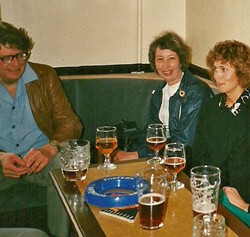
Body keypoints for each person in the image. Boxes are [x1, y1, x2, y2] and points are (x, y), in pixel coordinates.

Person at [0, 22, 83, 237]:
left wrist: (50, 148)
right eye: (6, 57)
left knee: (64, 164)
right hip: (3, 164)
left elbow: (71, 122)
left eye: (21, 55)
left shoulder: (44, 75)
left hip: (42, 160)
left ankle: (58, 235)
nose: (16, 63)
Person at [114, 31, 214, 162]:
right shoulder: (159, 92)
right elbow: (151, 132)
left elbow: (185, 142)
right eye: (160, 59)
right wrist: (132, 152)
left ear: (181, 60)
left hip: (191, 162)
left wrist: (138, 155)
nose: (165, 65)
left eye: (171, 58)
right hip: (164, 157)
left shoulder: (196, 91)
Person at [191, 40, 250, 226]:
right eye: (215, 68)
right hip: (211, 195)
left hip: (240, 203)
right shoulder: (211, 106)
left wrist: (245, 205)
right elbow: (198, 153)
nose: (217, 75)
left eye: (224, 69)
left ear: (241, 71)